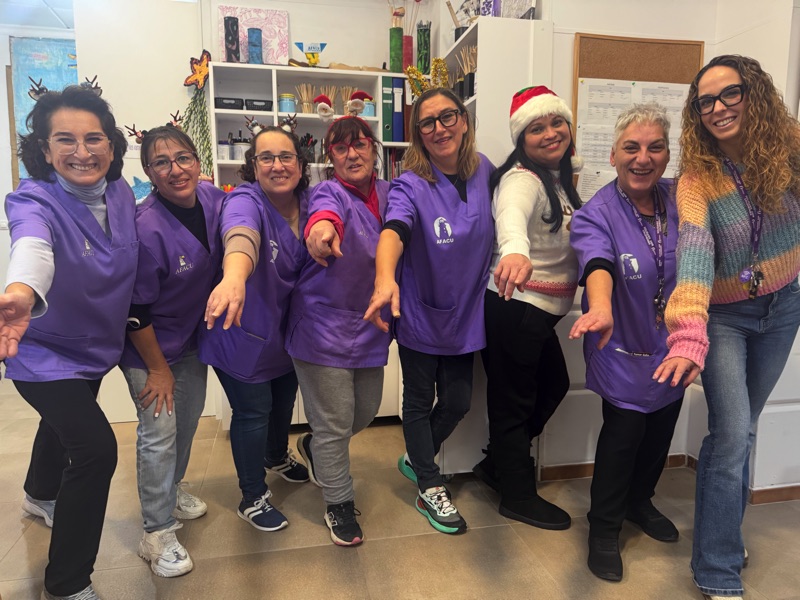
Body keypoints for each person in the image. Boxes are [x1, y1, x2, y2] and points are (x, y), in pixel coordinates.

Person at [654, 55, 800, 600]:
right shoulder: (699, 179)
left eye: (729, 94)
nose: (717, 108)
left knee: (747, 429)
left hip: (785, 305)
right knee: (732, 433)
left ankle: (724, 536)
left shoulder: (790, 149)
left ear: (753, 93)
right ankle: (717, 569)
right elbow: (693, 255)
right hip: (726, 318)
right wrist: (689, 333)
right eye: (705, 102)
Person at [0, 86, 136, 600]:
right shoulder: (33, 199)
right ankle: (67, 583)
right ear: (45, 147)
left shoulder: (121, 195)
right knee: (96, 449)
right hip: (43, 351)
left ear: (111, 145)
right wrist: (21, 292)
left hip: (95, 346)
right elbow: (32, 246)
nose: (82, 151)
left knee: (62, 429)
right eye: (65, 140)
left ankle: (39, 494)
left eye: (93, 138)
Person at [365, 88, 494, 535]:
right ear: (418, 134)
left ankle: (417, 457)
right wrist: (385, 278)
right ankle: (428, 482)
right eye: (427, 122)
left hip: (466, 315)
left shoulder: (485, 171)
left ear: (464, 120)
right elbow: (394, 229)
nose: (439, 128)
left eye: (447, 117)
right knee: (419, 401)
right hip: (421, 311)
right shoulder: (409, 184)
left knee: (458, 401)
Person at [569, 103, 683, 582]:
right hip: (618, 343)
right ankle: (603, 528)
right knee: (623, 437)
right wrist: (599, 305)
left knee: (660, 432)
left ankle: (640, 501)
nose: (643, 158)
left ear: (667, 155)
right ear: (613, 155)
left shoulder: (680, 199)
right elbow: (597, 262)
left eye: (655, 147)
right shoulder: (596, 213)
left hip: (672, 346)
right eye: (631, 148)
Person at [118, 126, 225, 577]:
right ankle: (157, 532)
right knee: (159, 433)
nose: (175, 170)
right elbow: (135, 311)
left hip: (191, 339)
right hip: (148, 347)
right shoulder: (145, 227)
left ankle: (171, 489)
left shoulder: (213, 199)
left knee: (186, 423)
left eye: (183, 158)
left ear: (198, 162)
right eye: (161, 162)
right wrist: (158, 370)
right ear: (148, 172)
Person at [475, 86, 582, 531]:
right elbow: (511, 216)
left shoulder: (560, 177)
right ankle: (517, 496)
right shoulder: (522, 179)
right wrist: (515, 251)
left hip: (537, 314)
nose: (550, 133)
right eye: (537, 128)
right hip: (515, 306)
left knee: (552, 386)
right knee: (513, 404)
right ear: (522, 139)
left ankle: (496, 466)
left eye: (557, 122)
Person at [286, 115, 391, 546]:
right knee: (334, 424)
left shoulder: (389, 194)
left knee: (363, 412)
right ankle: (339, 504)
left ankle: (314, 448)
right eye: (341, 148)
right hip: (322, 325)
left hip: (369, 324)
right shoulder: (328, 192)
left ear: (373, 149)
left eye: (360, 144)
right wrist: (322, 232)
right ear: (331, 157)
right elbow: (323, 220)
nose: (352, 154)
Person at [201, 126, 310, 532]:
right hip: (240, 330)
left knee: (283, 402)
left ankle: (276, 456)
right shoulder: (246, 200)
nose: (277, 165)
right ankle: (252, 496)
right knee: (253, 411)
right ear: (253, 165)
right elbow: (240, 235)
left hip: (285, 334)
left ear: (300, 164)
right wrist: (234, 277)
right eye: (266, 157)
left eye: (286, 156)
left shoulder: (311, 202)